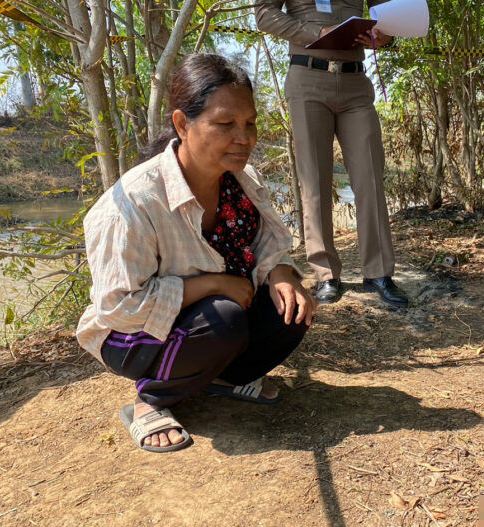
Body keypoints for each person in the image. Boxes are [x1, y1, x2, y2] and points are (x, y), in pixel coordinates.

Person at [76, 54, 316, 453]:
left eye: (249, 123)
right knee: (223, 317)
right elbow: (117, 307)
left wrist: (281, 275)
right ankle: (150, 400)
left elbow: (270, 245)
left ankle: (220, 379)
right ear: (182, 124)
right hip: (128, 335)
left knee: (289, 311)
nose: (244, 137)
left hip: (206, 323)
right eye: (225, 124)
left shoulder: (243, 180)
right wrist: (212, 284)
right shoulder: (133, 202)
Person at [255, 0, 409, 308]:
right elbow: (263, 14)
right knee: (315, 182)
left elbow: (390, 14)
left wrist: (387, 35)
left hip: (355, 83)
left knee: (371, 179)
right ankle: (326, 275)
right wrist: (316, 32)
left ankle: (378, 273)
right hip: (307, 78)